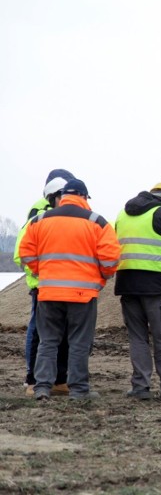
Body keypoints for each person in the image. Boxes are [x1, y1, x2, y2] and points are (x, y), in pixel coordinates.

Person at [18, 179, 121, 401]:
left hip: (48, 292)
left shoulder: (40, 220)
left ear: (62, 197)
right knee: (79, 343)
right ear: (84, 197)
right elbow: (111, 258)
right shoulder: (97, 222)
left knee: (48, 342)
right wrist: (102, 276)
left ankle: (42, 387)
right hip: (83, 295)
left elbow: (25, 252)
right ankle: (78, 390)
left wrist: (40, 271)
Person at [114, 182, 161, 401]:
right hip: (157, 286)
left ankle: (140, 387)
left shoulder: (123, 214)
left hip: (127, 285)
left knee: (137, 338)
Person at [14, 169, 76, 396]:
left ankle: (58, 379)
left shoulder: (59, 212)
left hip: (57, 284)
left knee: (56, 334)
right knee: (39, 332)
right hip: (42, 285)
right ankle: (32, 378)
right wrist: (41, 274)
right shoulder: (39, 213)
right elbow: (22, 253)